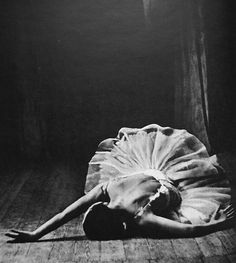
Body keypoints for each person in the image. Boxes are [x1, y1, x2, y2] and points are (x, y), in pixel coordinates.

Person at [6, 124, 235, 242]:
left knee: (193, 191)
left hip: (169, 184)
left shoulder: (141, 217)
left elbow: (191, 229)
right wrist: (35, 234)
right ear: (100, 207)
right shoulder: (106, 188)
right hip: (146, 169)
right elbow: (65, 214)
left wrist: (222, 224)